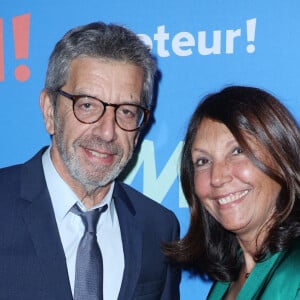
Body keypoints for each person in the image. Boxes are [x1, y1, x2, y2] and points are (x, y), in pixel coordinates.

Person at [0, 22, 180, 300]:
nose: (107, 132)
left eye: (127, 112)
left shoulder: (157, 227)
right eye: (87, 105)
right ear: (50, 111)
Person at [163, 86, 300, 299]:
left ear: (281, 154)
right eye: (203, 161)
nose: (217, 177)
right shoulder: (229, 278)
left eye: (237, 151)